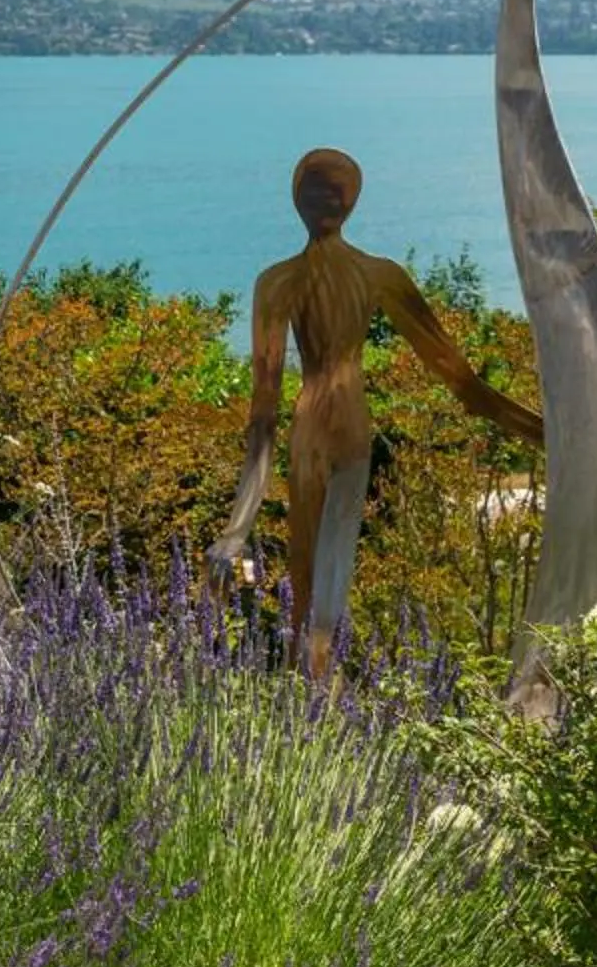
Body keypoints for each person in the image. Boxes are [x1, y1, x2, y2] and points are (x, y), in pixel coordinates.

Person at [212, 148, 544, 675]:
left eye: (332, 190)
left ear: (351, 201)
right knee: (308, 594)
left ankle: (316, 702)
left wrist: (544, 433)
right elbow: (262, 414)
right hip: (317, 436)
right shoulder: (282, 283)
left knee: (324, 595)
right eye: (314, 188)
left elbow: (461, 382)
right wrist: (237, 525)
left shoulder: (373, 276)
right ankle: (314, 705)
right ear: (297, 198)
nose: (323, 200)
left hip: (343, 439)